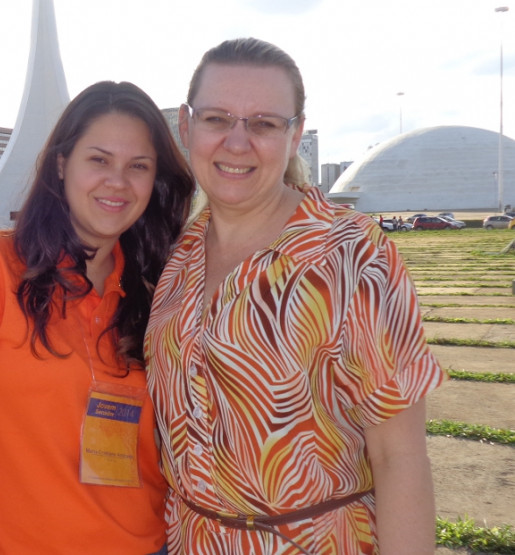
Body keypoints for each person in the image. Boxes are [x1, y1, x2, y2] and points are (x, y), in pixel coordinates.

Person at [144, 38, 447, 555]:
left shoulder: (351, 254)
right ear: (187, 126)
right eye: (217, 119)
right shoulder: (177, 255)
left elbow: (399, 459)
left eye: (263, 124)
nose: (237, 142)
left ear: (295, 135)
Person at [0, 80, 195, 554]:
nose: (118, 182)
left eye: (138, 166)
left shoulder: (158, 289)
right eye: (99, 160)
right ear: (61, 164)